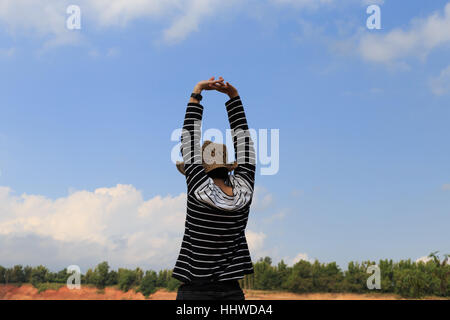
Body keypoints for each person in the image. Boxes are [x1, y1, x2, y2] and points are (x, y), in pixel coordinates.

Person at [173, 76, 256, 300]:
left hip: (195, 293)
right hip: (231, 293)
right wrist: (233, 97)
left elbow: (189, 140)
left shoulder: (198, 189)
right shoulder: (244, 194)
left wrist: (197, 92)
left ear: (202, 167)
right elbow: (245, 147)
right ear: (228, 169)